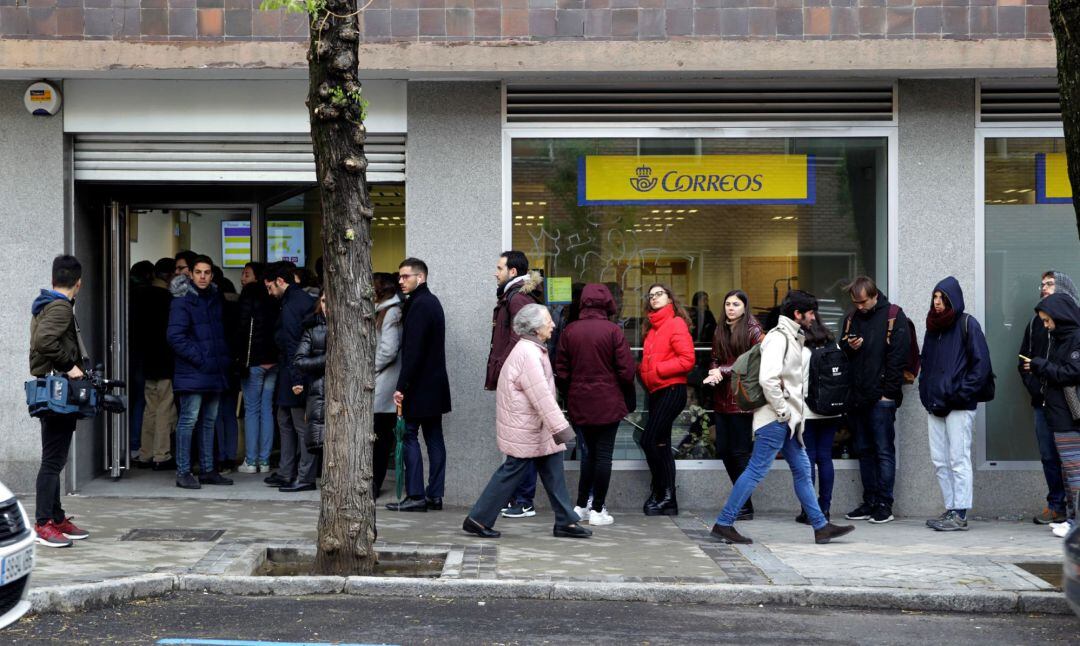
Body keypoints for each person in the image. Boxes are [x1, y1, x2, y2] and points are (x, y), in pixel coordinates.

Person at [709, 290, 856, 545]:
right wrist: (783, 411)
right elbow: (768, 378)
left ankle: (820, 526)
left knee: (801, 469)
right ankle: (724, 522)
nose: (813, 317)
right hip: (776, 419)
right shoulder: (779, 338)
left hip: (786, 421)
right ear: (797, 314)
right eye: (810, 312)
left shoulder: (791, 336)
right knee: (756, 470)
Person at [463, 304, 593, 540]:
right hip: (527, 427)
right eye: (547, 320)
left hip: (533, 426)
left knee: (553, 469)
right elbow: (542, 397)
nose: (553, 324)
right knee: (512, 471)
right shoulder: (529, 354)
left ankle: (565, 521)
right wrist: (563, 430)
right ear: (535, 327)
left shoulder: (531, 349)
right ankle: (478, 519)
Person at [555, 284, 636, 526]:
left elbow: (561, 370)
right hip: (608, 402)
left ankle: (580, 505)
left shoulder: (570, 331)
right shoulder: (613, 331)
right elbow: (626, 370)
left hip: (580, 402)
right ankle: (598, 509)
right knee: (603, 457)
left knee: (587, 455)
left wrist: (572, 393)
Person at [919, 277, 993, 532]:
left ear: (953, 299)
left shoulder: (967, 324)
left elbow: (981, 365)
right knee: (939, 460)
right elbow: (925, 364)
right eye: (935, 298)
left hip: (959, 405)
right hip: (935, 404)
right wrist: (925, 392)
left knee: (958, 459)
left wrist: (959, 394)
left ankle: (960, 512)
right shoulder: (932, 327)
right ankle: (950, 508)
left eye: (942, 298)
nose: (937, 303)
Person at [29, 255, 92, 547]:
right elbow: (44, 341)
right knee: (53, 461)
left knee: (55, 458)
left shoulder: (48, 304)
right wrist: (72, 367)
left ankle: (56, 517)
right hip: (58, 392)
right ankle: (43, 523)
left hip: (52, 390)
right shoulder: (60, 308)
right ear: (78, 283)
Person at [841, 276, 910, 525]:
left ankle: (884, 504)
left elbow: (898, 357)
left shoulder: (893, 315)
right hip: (858, 396)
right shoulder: (852, 317)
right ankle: (869, 501)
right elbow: (843, 352)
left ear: (874, 296)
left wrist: (888, 393)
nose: (859, 306)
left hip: (881, 398)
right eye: (855, 302)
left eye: (862, 302)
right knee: (864, 451)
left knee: (883, 451)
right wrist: (850, 346)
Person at [387, 258, 452, 512]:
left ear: (420, 277)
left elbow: (412, 351)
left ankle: (416, 495)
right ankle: (434, 495)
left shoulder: (419, 304)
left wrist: (401, 387)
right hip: (433, 385)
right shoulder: (430, 302)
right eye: (400, 277)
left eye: (406, 276)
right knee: (434, 438)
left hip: (419, 386)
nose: (401, 281)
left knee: (409, 436)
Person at [485, 250, 543, 519]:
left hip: (518, 381)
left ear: (513, 272)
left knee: (522, 442)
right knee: (519, 441)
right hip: (518, 379)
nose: (495, 272)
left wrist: (508, 371)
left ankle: (523, 500)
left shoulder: (517, 298)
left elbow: (523, 339)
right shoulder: (511, 296)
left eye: (499, 268)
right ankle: (517, 498)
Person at [168, 255, 233, 489]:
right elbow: (175, 337)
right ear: (191, 274)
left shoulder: (215, 298)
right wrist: (201, 359)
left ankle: (207, 470)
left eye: (207, 272)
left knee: (209, 421)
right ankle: (183, 472)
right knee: (189, 421)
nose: (203, 276)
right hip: (194, 371)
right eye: (198, 272)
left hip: (213, 370)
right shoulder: (182, 300)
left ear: (212, 275)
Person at [1019, 270, 1079, 525]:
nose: (1043, 287)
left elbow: (1070, 371)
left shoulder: (1071, 329)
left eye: (1050, 283)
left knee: (1072, 465)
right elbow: (1025, 359)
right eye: (1041, 283)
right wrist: (1037, 387)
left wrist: (1042, 368)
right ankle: (1058, 507)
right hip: (1045, 402)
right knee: (1051, 458)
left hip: (1068, 408)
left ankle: (1073, 517)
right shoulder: (1036, 324)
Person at [703, 290, 763, 521]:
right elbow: (715, 357)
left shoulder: (753, 329)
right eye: (727, 303)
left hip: (741, 397)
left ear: (744, 306)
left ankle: (744, 504)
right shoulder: (720, 329)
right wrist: (714, 371)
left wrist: (723, 371)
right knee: (724, 450)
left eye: (736, 304)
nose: (731, 308)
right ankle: (743, 502)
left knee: (739, 452)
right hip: (722, 396)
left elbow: (756, 361)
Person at [638, 282, 696, 516]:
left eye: (659, 294)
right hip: (656, 392)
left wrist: (658, 370)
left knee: (649, 440)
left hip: (672, 390)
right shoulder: (652, 328)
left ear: (670, 299)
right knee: (659, 444)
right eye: (651, 295)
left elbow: (687, 360)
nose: (654, 298)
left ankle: (663, 491)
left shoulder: (676, 324)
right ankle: (665, 497)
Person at [263, 263, 319, 492]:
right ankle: (288, 472)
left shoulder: (291, 305)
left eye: (269, 287)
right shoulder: (300, 300)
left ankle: (304, 476)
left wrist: (297, 379)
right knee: (286, 420)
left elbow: (294, 344)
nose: (269, 293)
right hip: (293, 371)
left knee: (297, 425)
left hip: (294, 373)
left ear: (280, 280)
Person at [795, 311, 843, 524]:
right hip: (832, 409)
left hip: (809, 411)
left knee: (809, 459)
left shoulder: (802, 350)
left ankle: (809, 511)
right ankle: (825, 508)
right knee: (825, 458)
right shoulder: (834, 346)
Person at [133, 258, 177, 471]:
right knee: (164, 407)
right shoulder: (169, 299)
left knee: (150, 407)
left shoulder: (140, 296)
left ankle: (145, 453)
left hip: (147, 359)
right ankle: (161, 454)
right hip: (165, 359)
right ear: (169, 276)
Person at [236, 261, 280, 474]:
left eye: (247, 273)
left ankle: (251, 461)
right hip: (274, 360)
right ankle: (264, 461)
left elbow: (242, 326)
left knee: (251, 410)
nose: (243, 278)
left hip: (253, 360)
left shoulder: (249, 293)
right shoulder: (273, 294)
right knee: (267, 409)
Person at [373, 272, 403, 497]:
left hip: (384, 383)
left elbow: (388, 350)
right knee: (380, 437)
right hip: (383, 381)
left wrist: (369, 369)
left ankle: (374, 484)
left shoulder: (391, 312)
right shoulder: (385, 310)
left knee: (380, 438)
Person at [293, 292, 327, 459]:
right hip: (319, 391)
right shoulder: (312, 329)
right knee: (319, 443)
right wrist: (328, 360)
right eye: (323, 301)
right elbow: (299, 361)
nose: (327, 305)